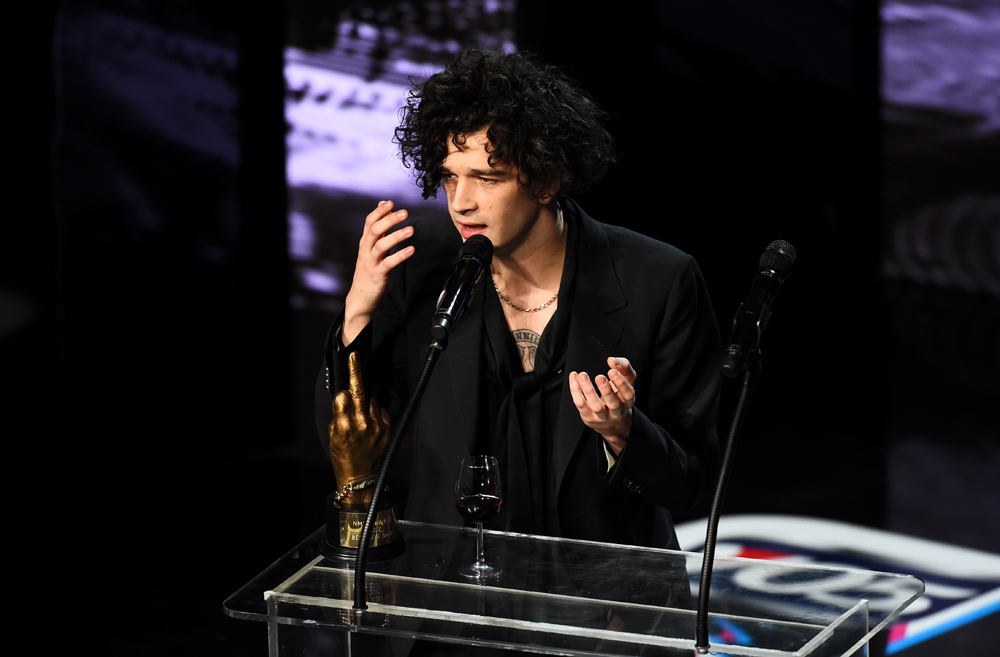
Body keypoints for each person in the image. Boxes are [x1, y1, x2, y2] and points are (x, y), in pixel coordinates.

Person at [317, 50, 721, 549]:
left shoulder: (659, 280)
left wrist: (623, 432)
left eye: (487, 178)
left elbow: (695, 482)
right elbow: (347, 439)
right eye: (449, 176)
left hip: (603, 604)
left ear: (545, 180)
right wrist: (357, 308)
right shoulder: (416, 265)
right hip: (450, 594)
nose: (460, 201)